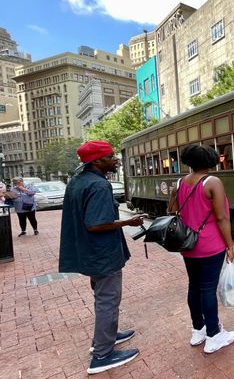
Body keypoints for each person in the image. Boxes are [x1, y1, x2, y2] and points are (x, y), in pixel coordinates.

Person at [59, 141, 144, 375]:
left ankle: (105, 337)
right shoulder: (98, 185)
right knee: (108, 300)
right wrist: (130, 221)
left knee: (101, 296)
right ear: (96, 161)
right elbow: (97, 223)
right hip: (103, 255)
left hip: (89, 253)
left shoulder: (78, 181)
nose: (115, 160)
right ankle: (103, 355)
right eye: (110, 156)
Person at [167, 144, 234, 354]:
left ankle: (198, 329)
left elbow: (171, 210)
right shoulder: (212, 182)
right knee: (208, 289)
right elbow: (221, 217)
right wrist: (230, 246)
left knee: (194, 287)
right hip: (210, 244)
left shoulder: (179, 183)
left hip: (187, 245)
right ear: (210, 160)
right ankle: (214, 335)